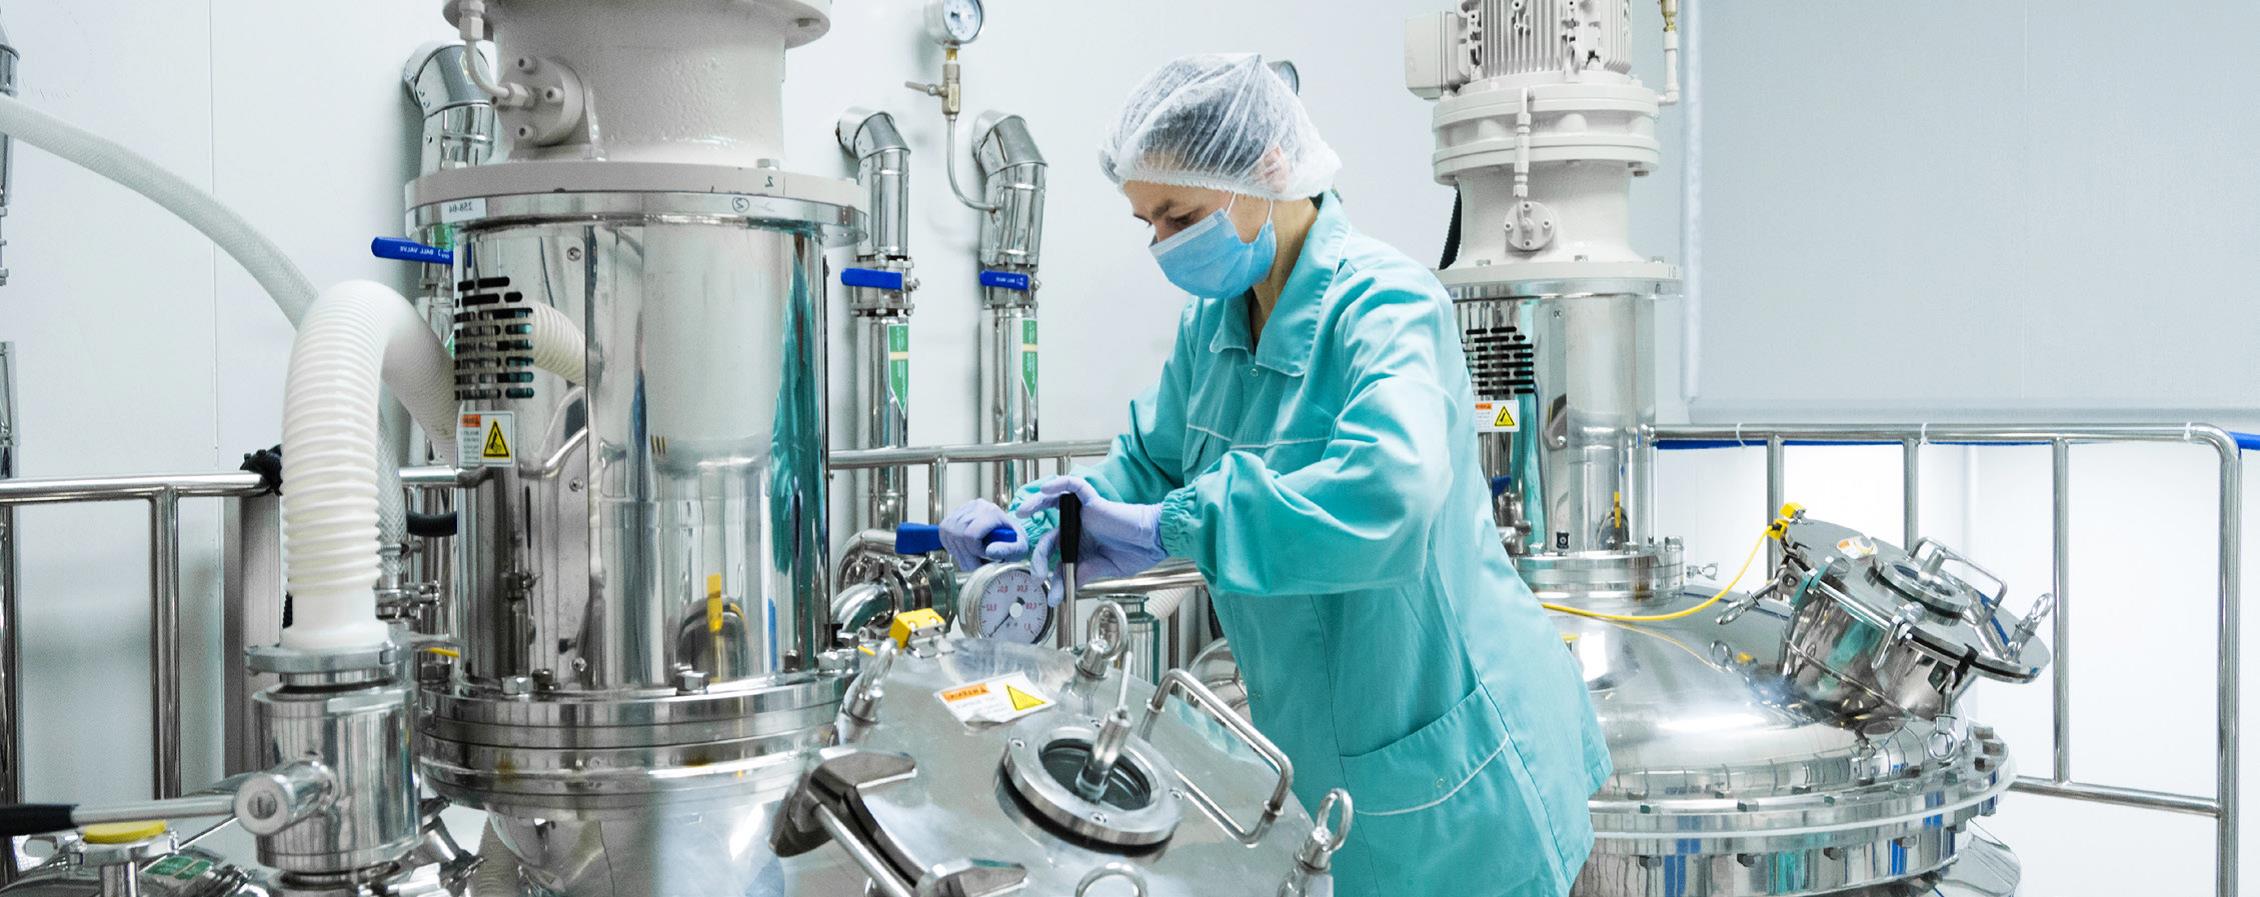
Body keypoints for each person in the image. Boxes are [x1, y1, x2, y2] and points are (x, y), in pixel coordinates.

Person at [937, 54, 1609, 897]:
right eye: (1149, 222)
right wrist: (1038, 526)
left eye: (1179, 215)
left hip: (1454, 761)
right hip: (1330, 752)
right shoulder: (1215, 325)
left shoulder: (1388, 307)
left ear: (1268, 170)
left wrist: (1178, 527)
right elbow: (1148, 462)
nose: (1162, 244)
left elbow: (1387, 498)